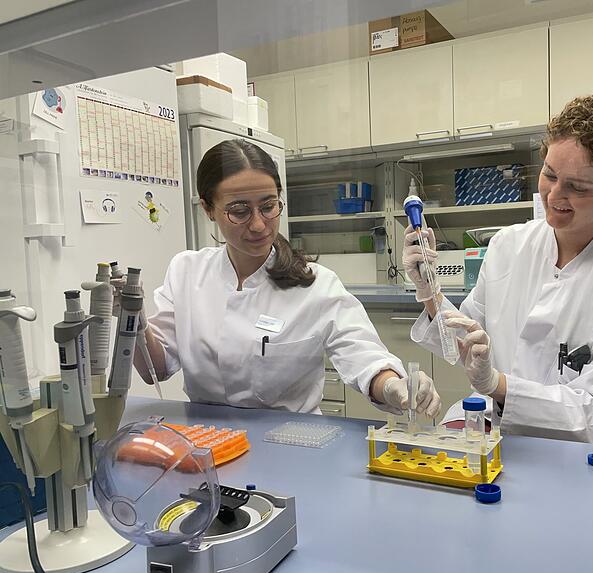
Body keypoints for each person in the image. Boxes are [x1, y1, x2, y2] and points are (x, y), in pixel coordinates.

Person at [403, 90, 593, 448]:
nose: (554, 195)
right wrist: (429, 289)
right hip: (502, 449)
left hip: (588, 463)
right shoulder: (507, 246)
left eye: (577, 186)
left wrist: (496, 385)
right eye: (549, 173)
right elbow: (466, 342)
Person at [135, 138, 441, 417]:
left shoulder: (316, 284)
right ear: (208, 209)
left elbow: (363, 355)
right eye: (239, 212)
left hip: (290, 445)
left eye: (268, 207)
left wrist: (392, 386)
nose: (258, 225)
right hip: (206, 445)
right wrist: (130, 317)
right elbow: (154, 369)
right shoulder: (187, 271)